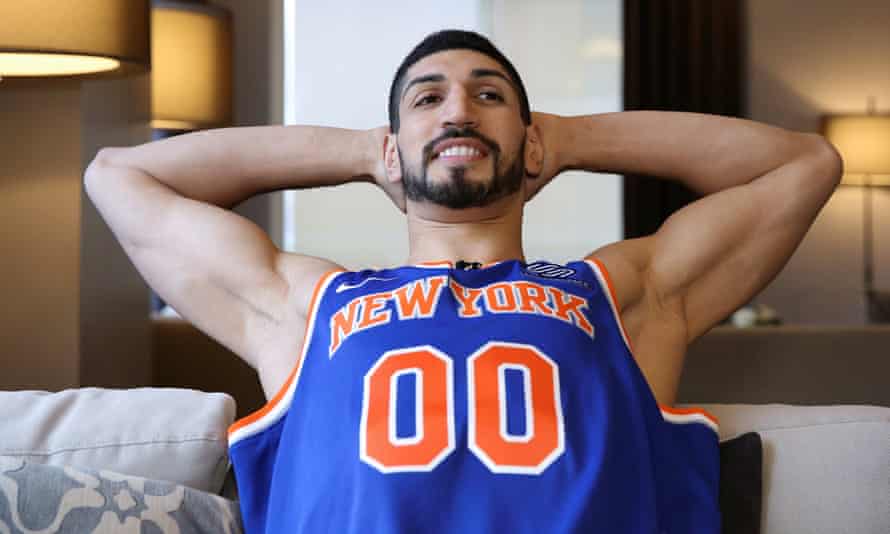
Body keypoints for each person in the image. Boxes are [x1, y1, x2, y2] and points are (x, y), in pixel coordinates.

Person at [84, 29, 842, 534]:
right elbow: (121, 176)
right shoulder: (309, 307)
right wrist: (364, 151)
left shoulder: (620, 294)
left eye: (489, 97)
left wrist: (571, 138)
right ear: (392, 150)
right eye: (428, 99)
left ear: (531, 140)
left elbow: (805, 165)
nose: (459, 111)